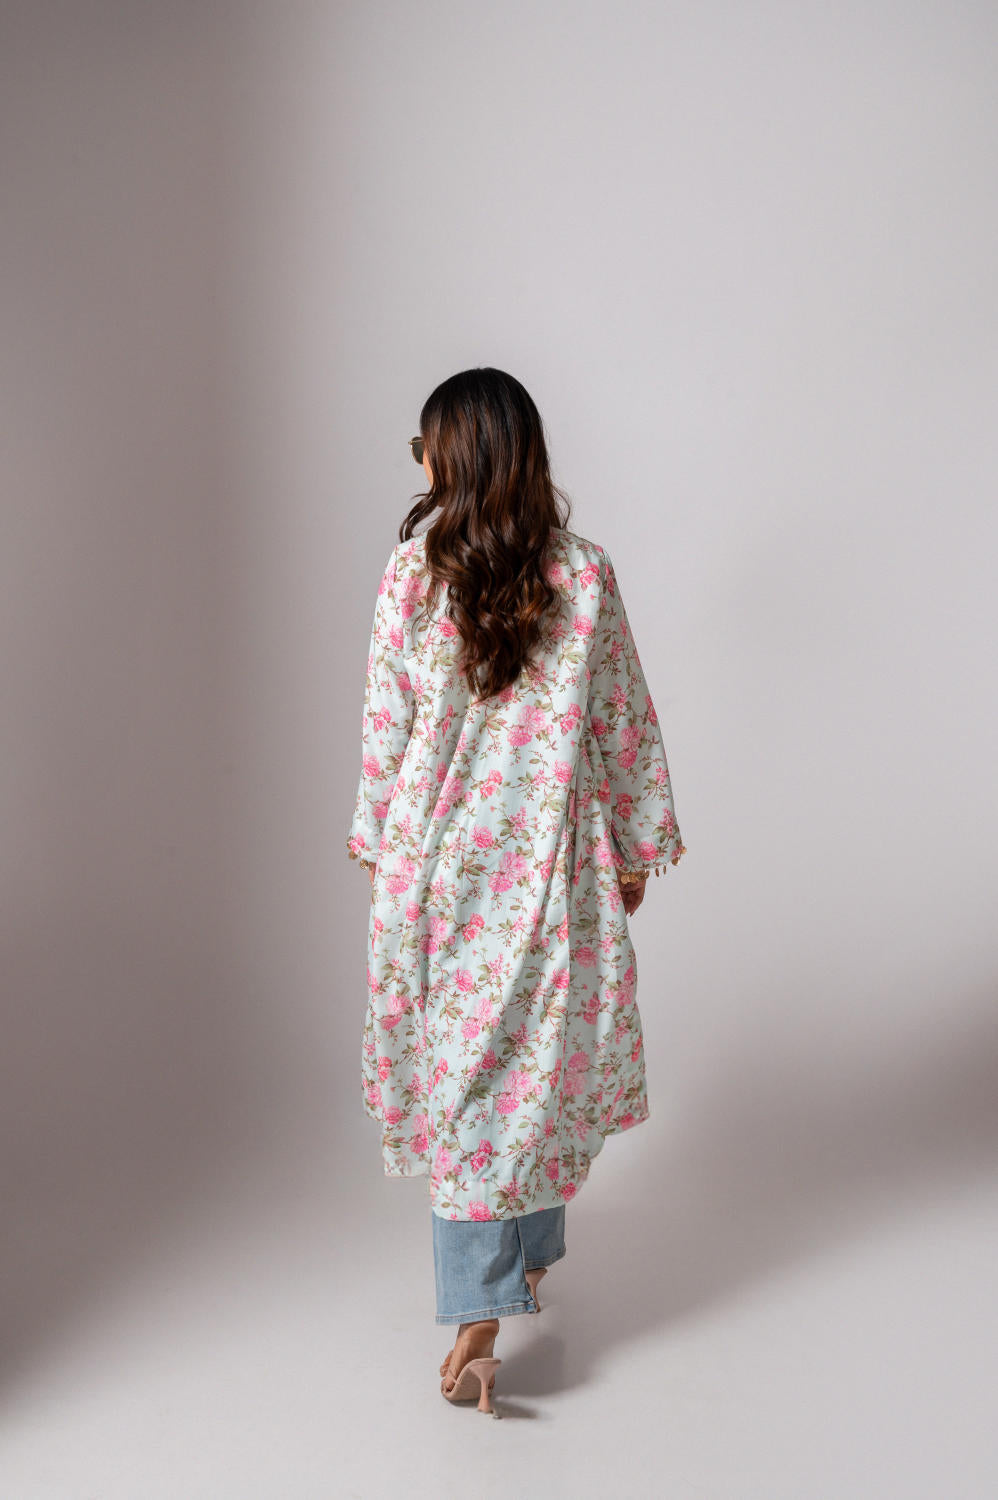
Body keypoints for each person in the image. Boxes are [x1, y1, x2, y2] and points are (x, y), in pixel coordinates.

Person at [347, 367, 686, 1413]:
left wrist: (375, 840)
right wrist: (634, 850)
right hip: (548, 871)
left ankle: (483, 1312)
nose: (418, 461)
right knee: (535, 1067)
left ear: (455, 457)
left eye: (426, 445)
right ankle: (507, 1280)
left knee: (472, 1087)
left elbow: (388, 724)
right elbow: (621, 718)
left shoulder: (413, 576)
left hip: (440, 868)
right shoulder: (583, 576)